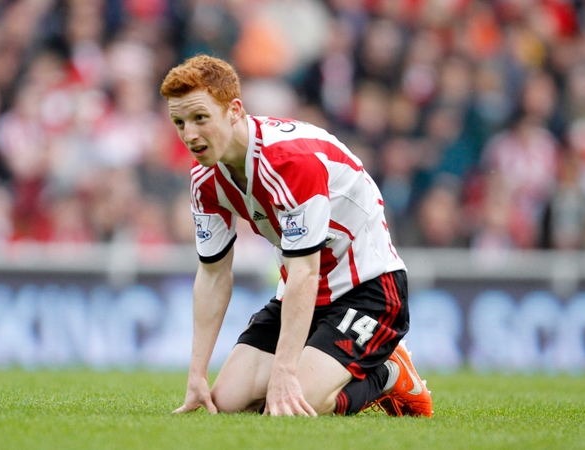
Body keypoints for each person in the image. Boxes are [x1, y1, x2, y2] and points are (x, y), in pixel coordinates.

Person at [160, 55, 433, 418]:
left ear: (234, 111)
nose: (189, 135)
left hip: (369, 289)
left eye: (200, 118)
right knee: (225, 403)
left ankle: (388, 373)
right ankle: (323, 367)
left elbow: (305, 270)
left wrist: (285, 374)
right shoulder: (204, 179)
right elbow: (213, 273)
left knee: (291, 405)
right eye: (179, 122)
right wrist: (196, 375)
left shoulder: (290, 161)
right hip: (302, 292)